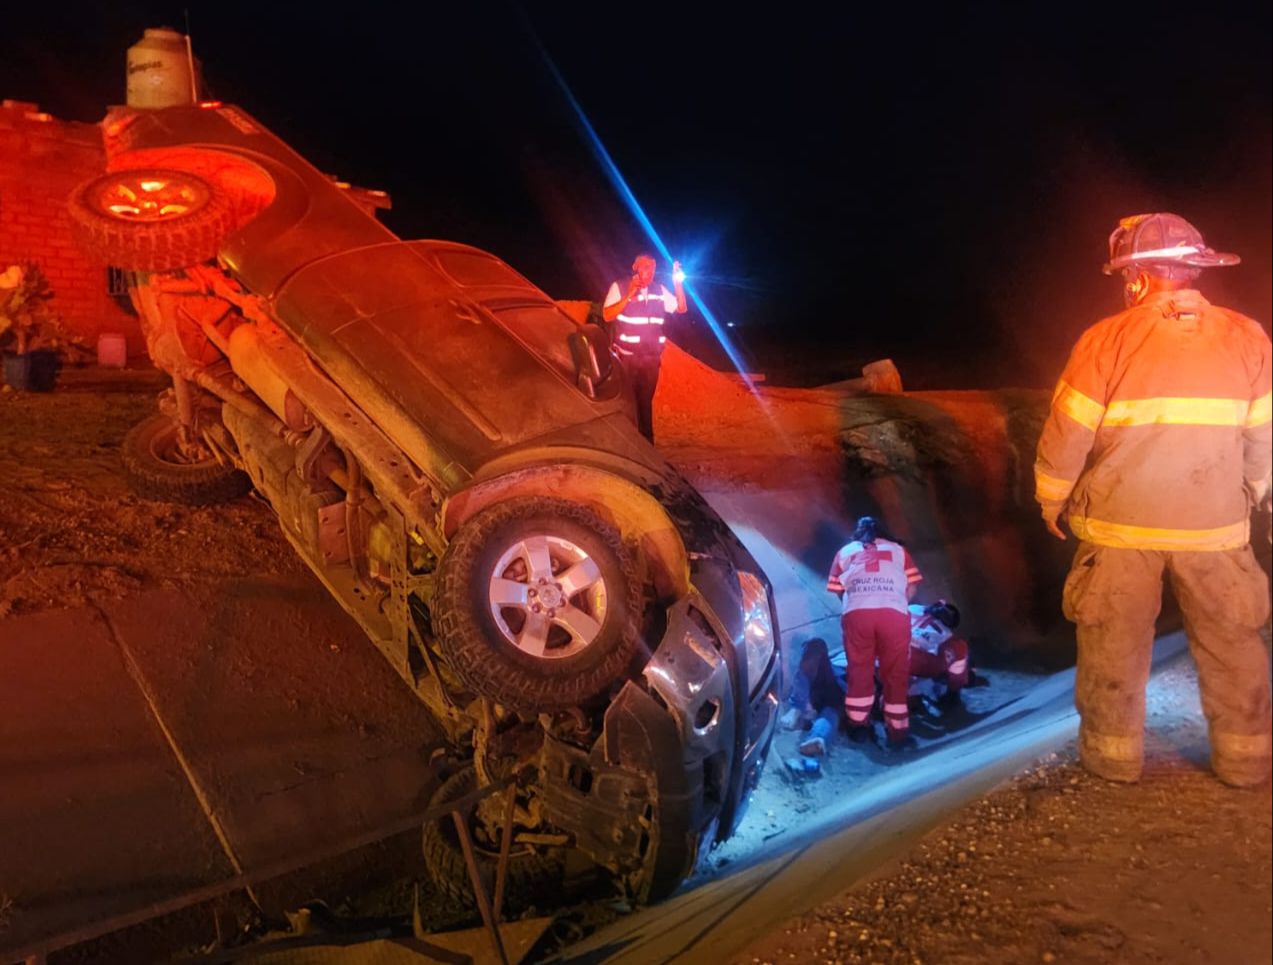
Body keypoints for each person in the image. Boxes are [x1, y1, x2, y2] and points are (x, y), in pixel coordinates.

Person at [1034, 212, 1272, 787]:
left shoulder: (1105, 339)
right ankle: (1245, 761)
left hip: (1120, 528)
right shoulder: (1248, 336)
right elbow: (1264, 437)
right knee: (1232, 641)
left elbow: (1068, 432)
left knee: (1112, 642)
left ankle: (1113, 759)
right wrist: (1256, 496)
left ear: (1136, 278)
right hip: (1214, 527)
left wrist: (1051, 498)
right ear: (1195, 270)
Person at [827, 515, 922, 749]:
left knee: (860, 669)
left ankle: (859, 726)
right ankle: (897, 733)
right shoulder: (899, 551)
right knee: (896, 672)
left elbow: (838, 589)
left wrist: (859, 602)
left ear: (857, 533)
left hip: (858, 615)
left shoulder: (845, 552)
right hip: (894, 615)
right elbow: (912, 586)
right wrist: (895, 600)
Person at [602, 252, 687, 442]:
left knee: (645, 404)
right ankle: (626, 446)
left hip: (651, 360)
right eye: (646, 266)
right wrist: (629, 294)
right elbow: (607, 315)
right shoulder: (620, 286)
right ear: (635, 267)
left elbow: (681, 308)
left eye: (653, 267)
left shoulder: (659, 290)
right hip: (627, 360)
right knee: (626, 405)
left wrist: (678, 282)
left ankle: (647, 448)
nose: (650, 271)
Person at [779, 637, 844, 756]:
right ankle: (799, 712)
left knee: (830, 715)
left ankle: (817, 740)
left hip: (834, 699)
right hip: (822, 691)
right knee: (828, 715)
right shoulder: (805, 672)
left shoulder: (835, 677)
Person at [907, 600, 970, 706]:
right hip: (908, 660)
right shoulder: (950, 639)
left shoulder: (914, 608)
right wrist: (953, 693)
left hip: (885, 651)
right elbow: (957, 673)